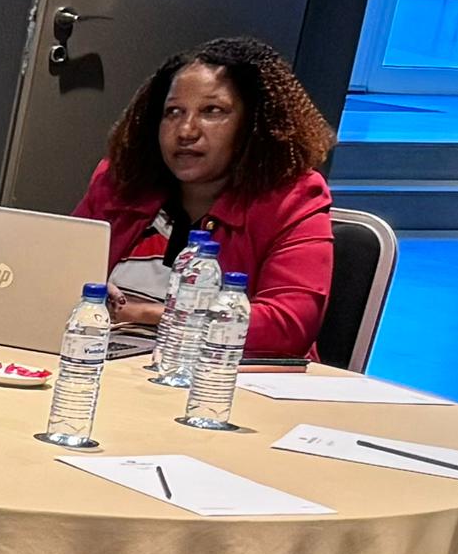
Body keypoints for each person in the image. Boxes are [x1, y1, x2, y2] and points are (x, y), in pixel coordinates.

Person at [76, 34, 336, 361]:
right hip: (104, 362)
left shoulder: (293, 198)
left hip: (222, 377)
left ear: (254, 123)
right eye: (173, 112)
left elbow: (287, 327)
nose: (186, 131)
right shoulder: (120, 182)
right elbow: (55, 272)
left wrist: (145, 314)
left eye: (212, 111)